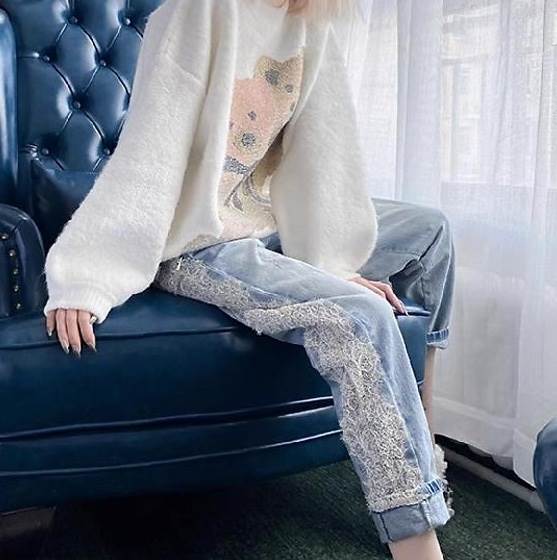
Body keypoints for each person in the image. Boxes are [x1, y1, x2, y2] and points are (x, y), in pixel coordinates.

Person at [42, 0, 456, 558]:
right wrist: (90, 274)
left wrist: (332, 263)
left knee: (431, 232)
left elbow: (324, 155)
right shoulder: (196, 12)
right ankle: (417, 539)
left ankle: (423, 437)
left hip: (270, 222)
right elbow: (148, 154)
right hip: (199, 240)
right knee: (362, 316)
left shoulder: (312, 22)